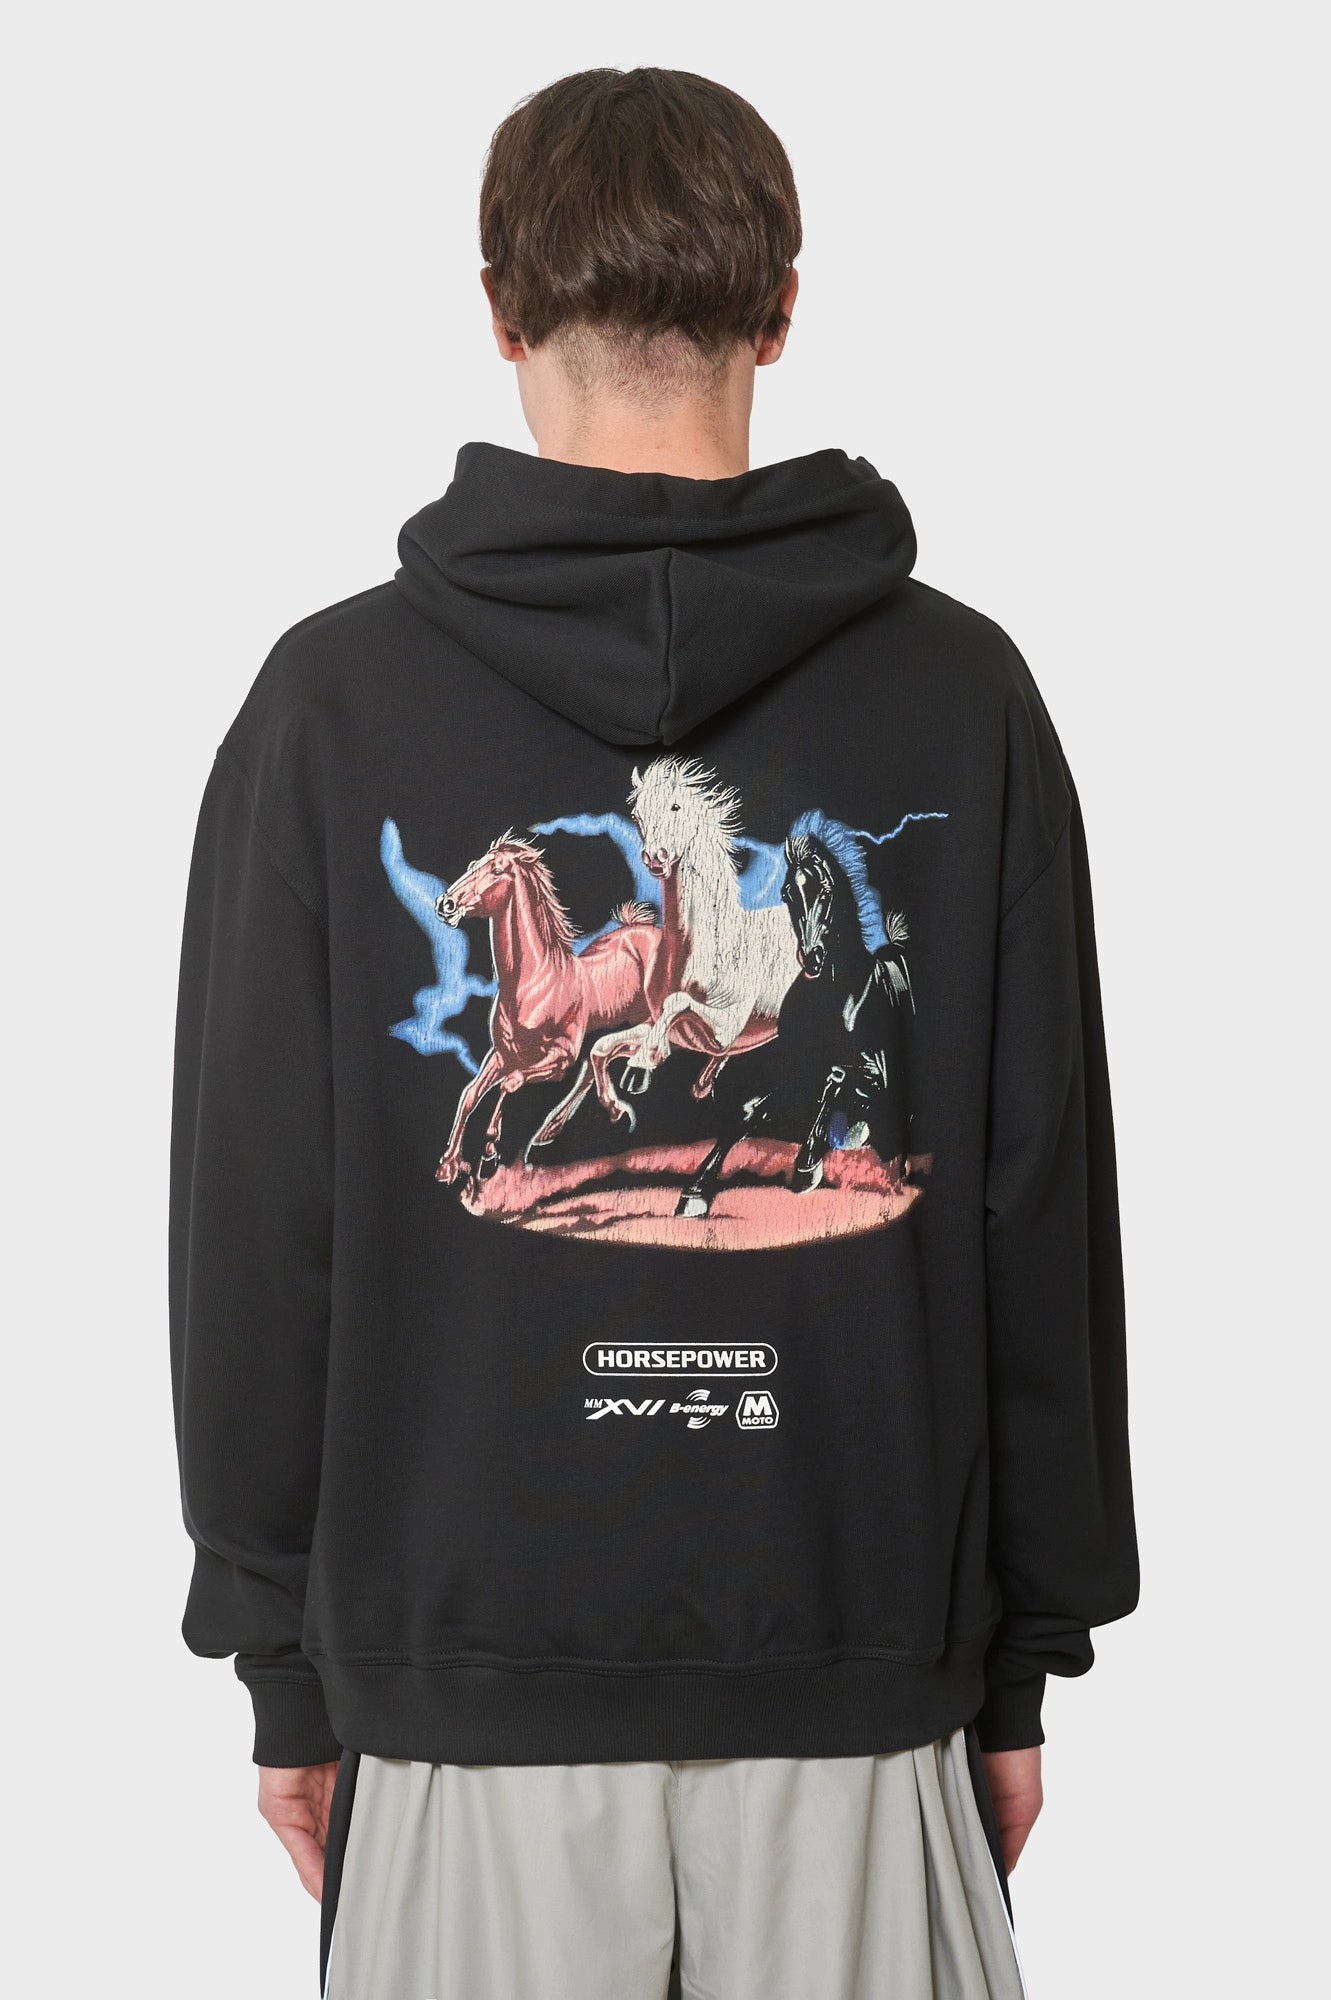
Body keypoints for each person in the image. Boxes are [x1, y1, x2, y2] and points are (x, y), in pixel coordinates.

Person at [170, 66, 1138, 2000]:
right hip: (863, 1681)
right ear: (781, 306)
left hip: (461, 1698)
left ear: (497, 309)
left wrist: (287, 1670)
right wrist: (1021, 1657)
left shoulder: (325, 704)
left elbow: (260, 1231)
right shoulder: (965, 694)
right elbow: (1041, 1205)